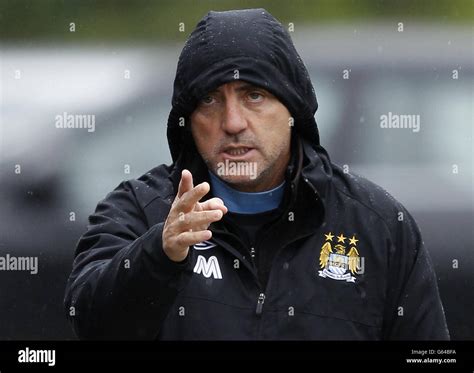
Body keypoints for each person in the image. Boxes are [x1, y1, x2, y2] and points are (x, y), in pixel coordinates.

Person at [64, 8, 449, 340]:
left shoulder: (377, 225)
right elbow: (91, 324)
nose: (232, 122)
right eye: (210, 99)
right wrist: (160, 255)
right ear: (186, 120)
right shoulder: (140, 211)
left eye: (254, 95)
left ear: (293, 108)